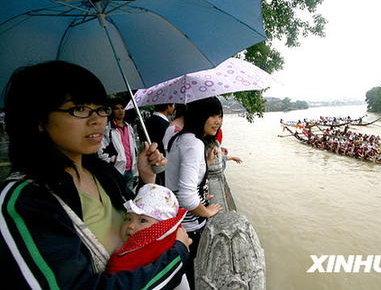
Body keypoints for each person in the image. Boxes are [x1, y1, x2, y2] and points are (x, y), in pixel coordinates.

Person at [0, 61, 190, 289]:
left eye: (101, 108)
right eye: (79, 109)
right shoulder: (23, 202)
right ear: (39, 119)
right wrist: (176, 255)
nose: (97, 120)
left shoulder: (102, 173)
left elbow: (138, 228)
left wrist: (146, 178)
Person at [165, 97, 224, 289]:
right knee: (190, 273)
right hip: (189, 225)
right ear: (200, 116)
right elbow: (186, 197)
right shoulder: (193, 144)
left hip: (177, 221)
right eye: (213, 115)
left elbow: (179, 180)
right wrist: (207, 212)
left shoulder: (181, 138)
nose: (218, 121)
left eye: (220, 116)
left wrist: (205, 163)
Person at [106, 184, 191, 289]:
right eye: (128, 219)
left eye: (142, 220)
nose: (131, 226)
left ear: (161, 227)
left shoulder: (158, 249)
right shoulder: (129, 246)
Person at [98, 99, 139, 191]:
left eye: (122, 108)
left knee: (131, 196)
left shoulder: (129, 127)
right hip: (117, 169)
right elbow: (100, 152)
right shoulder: (107, 129)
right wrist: (114, 159)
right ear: (112, 111)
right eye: (117, 109)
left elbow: (134, 147)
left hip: (132, 169)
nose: (120, 111)